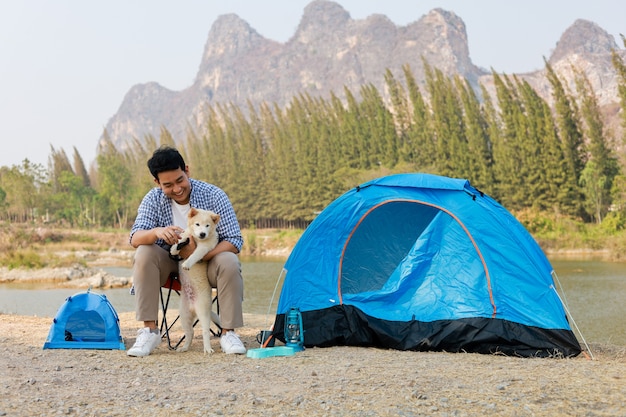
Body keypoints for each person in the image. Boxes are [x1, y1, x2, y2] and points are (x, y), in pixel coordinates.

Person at [126, 146, 246, 357]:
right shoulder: (153, 199)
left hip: (207, 265)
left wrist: (199, 254)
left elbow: (235, 240)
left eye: (180, 180)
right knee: (144, 252)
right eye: (168, 185)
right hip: (170, 265)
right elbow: (135, 237)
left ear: (187, 170)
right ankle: (149, 331)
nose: (177, 188)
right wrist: (157, 232)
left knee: (228, 259)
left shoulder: (214, 195)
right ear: (157, 183)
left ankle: (228, 333)